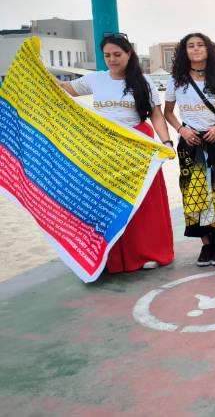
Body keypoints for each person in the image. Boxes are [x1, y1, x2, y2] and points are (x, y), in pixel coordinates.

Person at [60, 33, 174, 273]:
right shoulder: (95, 79)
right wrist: (34, 74)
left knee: (143, 202)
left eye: (117, 55)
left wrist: (166, 142)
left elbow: (156, 115)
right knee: (107, 202)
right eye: (107, 55)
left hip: (137, 146)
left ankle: (148, 253)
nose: (112, 60)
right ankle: (109, 258)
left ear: (129, 54)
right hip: (104, 149)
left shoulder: (143, 81)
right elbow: (62, 90)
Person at [164, 33, 215, 267]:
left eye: (200, 45)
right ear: (184, 51)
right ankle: (205, 244)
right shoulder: (177, 80)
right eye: (190, 46)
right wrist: (182, 130)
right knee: (193, 194)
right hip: (190, 143)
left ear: (209, 49)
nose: (195, 49)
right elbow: (168, 113)